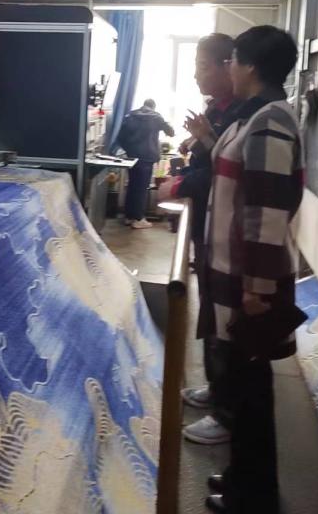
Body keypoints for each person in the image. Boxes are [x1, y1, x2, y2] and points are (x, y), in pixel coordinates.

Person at [204, 26, 304, 514]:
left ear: (250, 66)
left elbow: (267, 209)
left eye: (232, 60)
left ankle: (253, 498)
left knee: (251, 393)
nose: (228, 68)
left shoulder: (270, 121)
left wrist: (258, 289)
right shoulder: (255, 116)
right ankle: (242, 478)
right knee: (244, 388)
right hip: (237, 274)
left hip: (251, 282)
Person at [157, 34, 244, 446]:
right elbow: (210, 161)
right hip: (209, 224)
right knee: (210, 306)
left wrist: (179, 187)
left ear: (233, 66)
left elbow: (225, 174)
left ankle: (227, 410)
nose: (196, 76)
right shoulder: (217, 110)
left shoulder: (249, 115)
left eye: (203, 67)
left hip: (227, 229)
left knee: (226, 316)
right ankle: (217, 387)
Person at [117, 99, 174, 229]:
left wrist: (129, 149)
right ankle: (138, 219)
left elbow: (120, 137)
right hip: (147, 157)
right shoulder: (156, 117)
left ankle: (129, 217)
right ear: (153, 106)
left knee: (132, 186)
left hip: (131, 157)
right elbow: (171, 132)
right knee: (142, 188)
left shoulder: (130, 116)